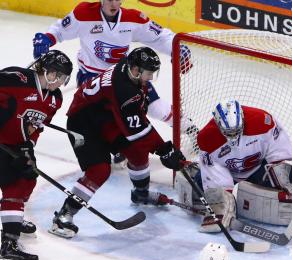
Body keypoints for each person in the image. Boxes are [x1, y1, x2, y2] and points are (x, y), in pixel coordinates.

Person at [31, 0, 194, 163]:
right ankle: (116, 147)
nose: (114, 3)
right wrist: (46, 38)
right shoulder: (83, 13)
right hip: (92, 77)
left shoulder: (133, 18)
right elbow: (60, 30)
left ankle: (191, 129)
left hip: (126, 76)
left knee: (157, 109)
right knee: (104, 119)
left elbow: (160, 36)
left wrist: (177, 47)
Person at [48, 47, 185, 239]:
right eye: (147, 73)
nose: (150, 78)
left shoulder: (129, 72)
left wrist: (161, 148)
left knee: (138, 152)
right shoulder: (124, 89)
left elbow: (136, 120)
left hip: (106, 117)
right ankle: (64, 214)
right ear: (135, 70)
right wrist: (163, 149)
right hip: (83, 124)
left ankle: (141, 194)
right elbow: (135, 130)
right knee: (99, 171)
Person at [0, 50, 72, 260]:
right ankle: (9, 246)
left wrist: (27, 147)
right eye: (52, 74)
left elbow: (34, 128)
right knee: (16, 183)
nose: (56, 81)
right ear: (41, 69)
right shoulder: (19, 79)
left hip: (12, 143)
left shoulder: (55, 99)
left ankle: (13, 224)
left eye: (62, 78)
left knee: (28, 178)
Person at [175, 99, 292, 233]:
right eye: (229, 132)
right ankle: (198, 177)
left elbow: (279, 148)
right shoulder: (207, 139)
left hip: (259, 168)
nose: (234, 136)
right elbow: (215, 171)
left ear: (242, 118)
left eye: (237, 130)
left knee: (288, 176)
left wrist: (282, 167)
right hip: (228, 172)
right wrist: (220, 200)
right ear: (219, 125)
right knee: (199, 196)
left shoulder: (262, 121)